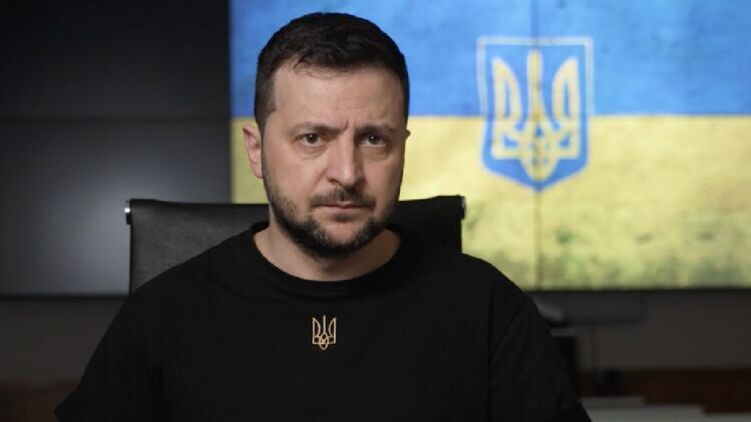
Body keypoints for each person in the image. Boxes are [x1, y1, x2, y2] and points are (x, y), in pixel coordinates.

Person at [57, 12, 590, 421]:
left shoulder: (489, 309)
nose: (347, 173)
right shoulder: (161, 317)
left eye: (373, 139)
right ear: (257, 151)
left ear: (402, 148)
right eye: (313, 138)